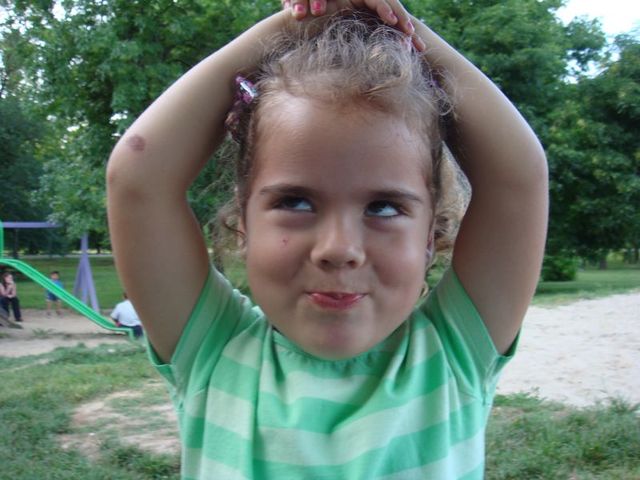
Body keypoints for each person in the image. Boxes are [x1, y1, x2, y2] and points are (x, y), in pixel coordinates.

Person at [107, 1, 548, 478]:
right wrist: (295, 24)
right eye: (296, 202)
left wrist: (399, 27)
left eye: (383, 207)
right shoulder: (212, 352)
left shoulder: (453, 351)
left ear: (430, 235)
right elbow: (138, 178)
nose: (339, 249)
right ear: (244, 224)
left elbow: (518, 180)